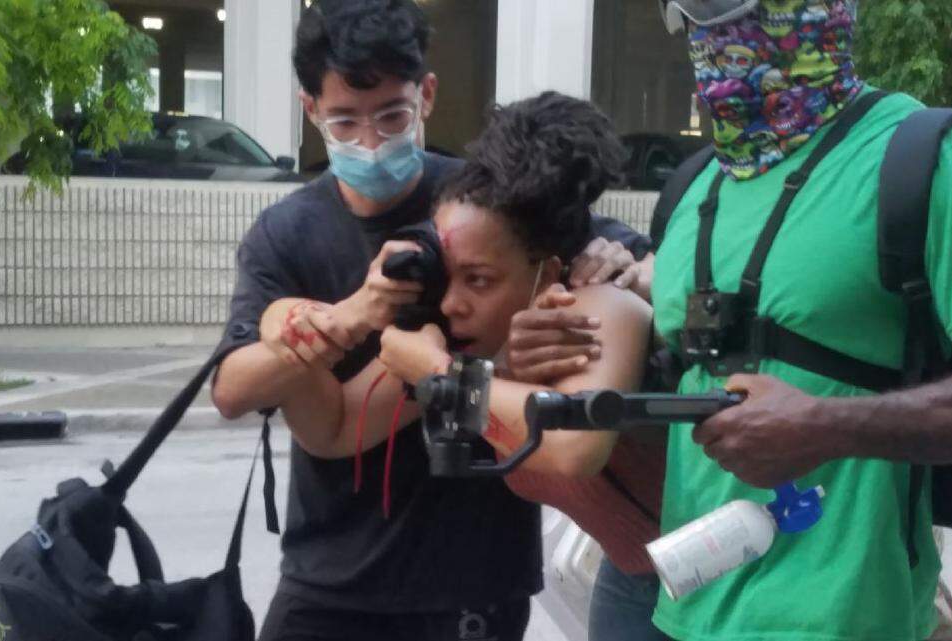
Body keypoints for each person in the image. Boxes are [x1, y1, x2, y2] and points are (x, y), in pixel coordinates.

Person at [210, 1, 653, 639]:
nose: (370, 140)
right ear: (311, 110)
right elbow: (255, 398)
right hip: (330, 578)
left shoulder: (489, 199)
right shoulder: (288, 234)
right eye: (345, 120)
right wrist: (347, 317)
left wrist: (623, 262)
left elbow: (576, 434)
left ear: (427, 96)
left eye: (391, 115)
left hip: (472, 582)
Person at [641, 2, 952, 641]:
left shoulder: (935, 156)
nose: (704, 22)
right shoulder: (691, 188)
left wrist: (827, 425)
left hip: (852, 618)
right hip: (686, 612)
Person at [372, 92, 669, 641]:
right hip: (634, 578)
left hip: (719, 574)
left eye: (479, 279)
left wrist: (439, 374)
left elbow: (571, 445)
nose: (452, 302)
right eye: (447, 274)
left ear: (547, 270)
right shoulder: (494, 339)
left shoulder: (599, 305)